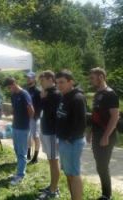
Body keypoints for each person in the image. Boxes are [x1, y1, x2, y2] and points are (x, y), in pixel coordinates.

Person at [88, 67, 120, 200]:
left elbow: (115, 116)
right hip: (97, 134)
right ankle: (105, 193)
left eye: (92, 77)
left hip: (107, 135)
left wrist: (106, 136)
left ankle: (107, 195)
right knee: (99, 165)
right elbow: (95, 115)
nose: (91, 80)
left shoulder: (110, 94)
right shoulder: (97, 93)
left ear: (101, 77)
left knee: (102, 165)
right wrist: (90, 131)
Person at [55, 70, 86, 200]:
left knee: (74, 173)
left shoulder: (77, 98)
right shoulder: (64, 96)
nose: (59, 85)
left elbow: (81, 123)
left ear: (70, 82)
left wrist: (69, 138)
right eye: (57, 83)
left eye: (62, 82)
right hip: (64, 140)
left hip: (72, 142)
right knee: (68, 173)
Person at [4, 77, 34, 185]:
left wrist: (28, 123)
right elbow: (14, 108)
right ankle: (19, 172)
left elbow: (31, 110)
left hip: (23, 127)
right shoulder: (13, 95)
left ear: (15, 83)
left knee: (22, 152)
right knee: (17, 150)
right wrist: (9, 113)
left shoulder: (24, 94)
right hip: (15, 126)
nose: (9, 89)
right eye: (8, 88)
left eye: (10, 87)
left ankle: (20, 175)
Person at [37, 70, 61, 199]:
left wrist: (43, 98)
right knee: (50, 160)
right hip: (46, 130)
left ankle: (54, 190)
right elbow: (41, 109)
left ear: (51, 79)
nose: (41, 83)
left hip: (52, 132)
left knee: (54, 160)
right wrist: (43, 98)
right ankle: (53, 185)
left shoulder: (56, 94)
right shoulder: (47, 93)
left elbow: (52, 113)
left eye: (43, 80)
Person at [25, 72, 41, 164]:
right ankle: (28, 154)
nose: (28, 79)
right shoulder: (26, 90)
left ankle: (35, 156)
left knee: (36, 136)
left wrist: (35, 116)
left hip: (35, 118)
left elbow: (40, 106)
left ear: (34, 79)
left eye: (30, 78)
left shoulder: (38, 91)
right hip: (27, 117)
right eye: (27, 78)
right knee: (28, 136)